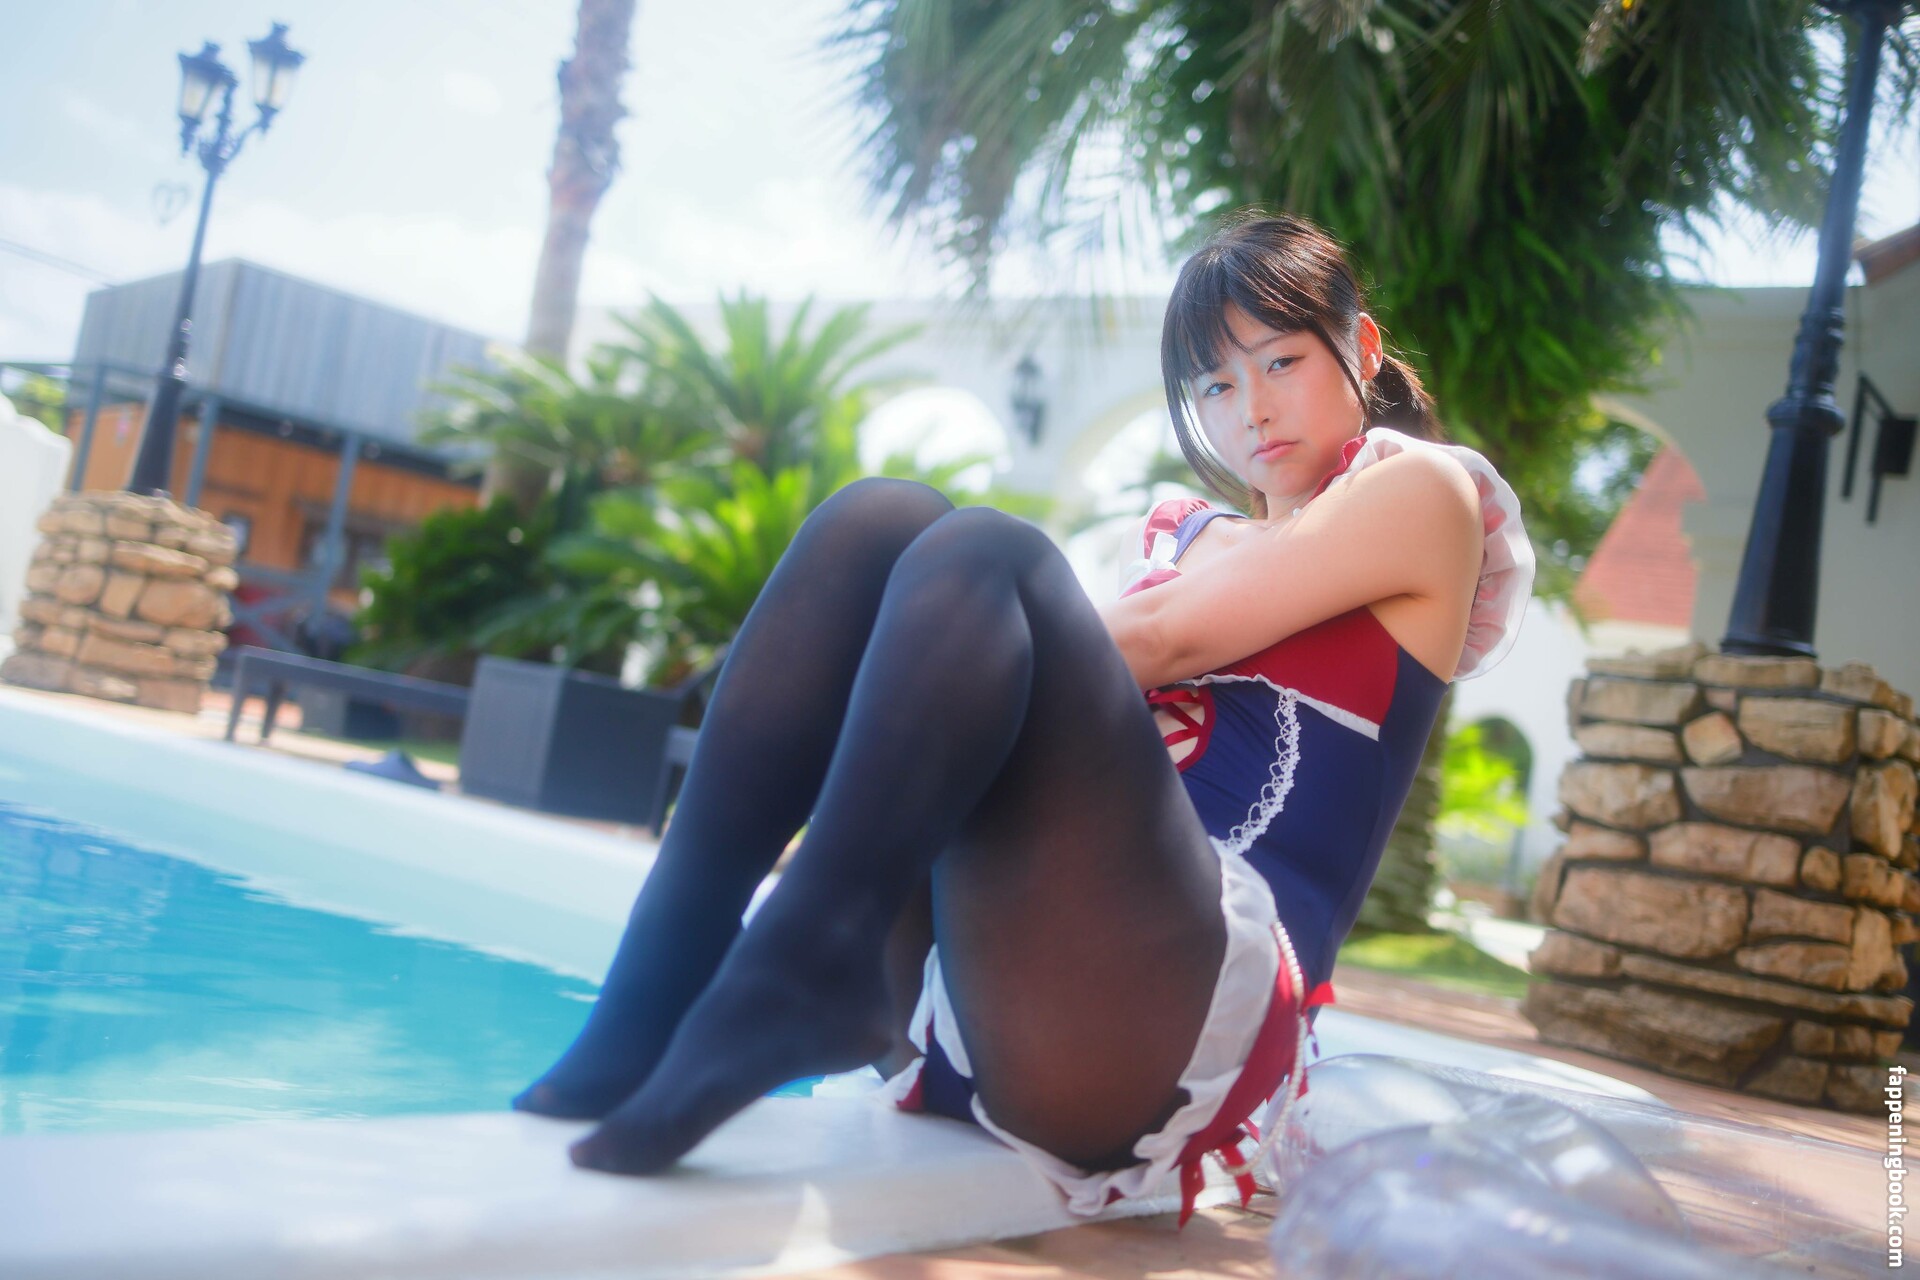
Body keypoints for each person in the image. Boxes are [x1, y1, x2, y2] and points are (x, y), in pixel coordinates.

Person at [512, 210, 1534, 1223]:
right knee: (879, 520)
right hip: (1001, 991)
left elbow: (1160, 639)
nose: (1253, 409)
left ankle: (806, 962)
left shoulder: (1422, 493)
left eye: (1281, 362)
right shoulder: (1180, 537)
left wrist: (932, 641)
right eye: (1217, 385)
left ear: (1361, 348)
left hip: (1164, 1026)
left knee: (984, 555)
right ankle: (661, 978)